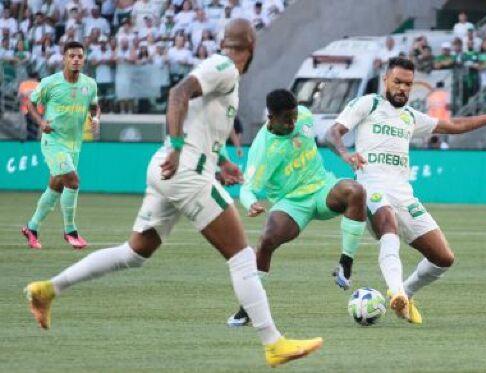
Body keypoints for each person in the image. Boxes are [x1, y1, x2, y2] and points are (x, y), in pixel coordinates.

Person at [24, 19, 322, 368]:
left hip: (174, 169)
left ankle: (48, 289)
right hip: (185, 171)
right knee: (242, 256)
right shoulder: (224, 68)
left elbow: (203, 123)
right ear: (252, 48)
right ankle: (273, 342)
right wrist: (179, 148)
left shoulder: (221, 71)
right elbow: (177, 94)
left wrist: (222, 160)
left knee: (134, 253)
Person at [328, 57, 486, 324]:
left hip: (403, 194)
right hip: (371, 186)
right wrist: (346, 154)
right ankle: (395, 289)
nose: (402, 88)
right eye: (397, 82)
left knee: (443, 258)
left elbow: (453, 126)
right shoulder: (369, 104)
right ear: (386, 79)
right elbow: (333, 132)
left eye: (408, 84)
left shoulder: (410, 117)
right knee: (387, 223)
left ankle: (404, 295)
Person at [227, 89, 367, 327]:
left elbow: (327, 137)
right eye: (286, 119)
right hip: (292, 203)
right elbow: (247, 188)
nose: (293, 122)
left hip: (323, 188)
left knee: (356, 191)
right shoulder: (263, 150)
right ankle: (248, 308)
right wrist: (251, 204)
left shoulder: (303, 115)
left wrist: (345, 154)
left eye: (294, 116)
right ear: (270, 118)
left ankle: (346, 263)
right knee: (268, 239)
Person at [21, 41, 100, 250]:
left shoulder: (89, 84)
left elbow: (94, 106)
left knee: (55, 188)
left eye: (80, 56)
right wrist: (41, 122)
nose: (76, 60)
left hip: (75, 145)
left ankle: (32, 227)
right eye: (71, 56)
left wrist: (96, 119)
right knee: (73, 182)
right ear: (64, 59)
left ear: (83, 60)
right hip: (53, 141)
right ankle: (70, 231)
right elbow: (29, 102)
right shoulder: (50, 82)